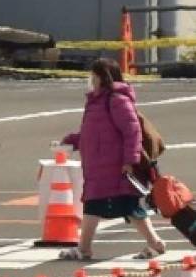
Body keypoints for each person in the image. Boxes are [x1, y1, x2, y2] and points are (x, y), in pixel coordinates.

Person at [58, 57, 165, 261]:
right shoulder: (95, 102)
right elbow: (91, 133)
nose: (91, 79)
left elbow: (132, 133)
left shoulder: (116, 100)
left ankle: (84, 248)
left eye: (94, 75)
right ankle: (155, 243)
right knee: (120, 206)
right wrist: (71, 141)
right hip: (99, 167)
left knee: (105, 205)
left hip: (114, 167)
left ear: (102, 77)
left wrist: (130, 161)